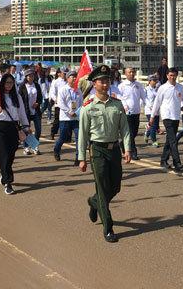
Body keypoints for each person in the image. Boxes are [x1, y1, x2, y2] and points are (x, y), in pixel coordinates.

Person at [78, 65, 131, 243]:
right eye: (101, 81)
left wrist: (127, 148)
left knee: (115, 186)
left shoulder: (117, 104)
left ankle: (94, 202)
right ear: (94, 83)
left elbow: (124, 128)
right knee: (102, 188)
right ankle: (108, 228)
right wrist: (81, 158)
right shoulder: (88, 107)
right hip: (97, 150)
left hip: (114, 149)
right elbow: (83, 134)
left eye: (107, 80)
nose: (105, 84)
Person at [0, 73, 30, 195]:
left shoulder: (16, 96)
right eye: (7, 82)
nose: (9, 85)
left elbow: (22, 113)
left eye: (11, 83)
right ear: (2, 83)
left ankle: (5, 174)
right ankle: (8, 182)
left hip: (13, 127)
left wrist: (26, 126)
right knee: (4, 154)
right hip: (0, 127)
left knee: (11, 153)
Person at [150, 67, 183, 172]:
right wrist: (152, 116)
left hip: (176, 116)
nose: (172, 77)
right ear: (167, 76)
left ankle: (163, 160)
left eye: (174, 75)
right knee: (173, 140)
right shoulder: (163, 88)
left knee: (169, 140)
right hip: (166, 116)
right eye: (170, 75)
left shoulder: (180, 87)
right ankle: (177, 162)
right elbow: (157, 102)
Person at [54, 71, 83, 164]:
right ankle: (56, 150)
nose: (74, 78)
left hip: (76, 119)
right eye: (72, 77)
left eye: (75, 77)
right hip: (65, 118)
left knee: (79, 138)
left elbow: (81, 103)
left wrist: (78, 112)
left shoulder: (78, 90)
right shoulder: (63, 89)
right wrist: (69, 111)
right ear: (67, 78)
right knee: (63, 137)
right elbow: (60, 103)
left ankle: (78, 158)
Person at [118, 67, 146, 161]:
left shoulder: (138, 85)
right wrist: (124, 105)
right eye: (129, 72)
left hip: (136, 112)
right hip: (127, 113)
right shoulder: (122, 85)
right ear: (125, 74)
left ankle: (122, 143)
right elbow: (119, 97)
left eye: (133, 72)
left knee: (134, 133)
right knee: (130, 133)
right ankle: (133, 152)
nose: (132, 74)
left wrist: (148, 106)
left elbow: (144, 97)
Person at [18, 69, 42, 155]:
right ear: (26, 77)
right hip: (26, 111)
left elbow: (40, 97)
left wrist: (38, 103)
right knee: (26, 130)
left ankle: (35, 146)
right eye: (28, 76)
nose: (30, 77)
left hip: (36, 111)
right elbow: (19, 99)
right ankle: (26, 147)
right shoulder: (22, 86)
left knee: (38, 130)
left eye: (32, 75)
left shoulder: (37, 85)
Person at [49, 68, 66, 139]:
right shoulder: (56, 82)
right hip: (58, 104)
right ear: (59, 73)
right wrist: (55, 99)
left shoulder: (68, 82)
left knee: (66, 121)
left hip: (67, 104)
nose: (65, 75)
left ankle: (67, 136)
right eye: (64, 73)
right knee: (57, 120)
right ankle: (53, 132)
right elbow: (52, 92)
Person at [144, 74, 160, 147]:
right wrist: (149, 106)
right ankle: (154, 141)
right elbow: (144, 99)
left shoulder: (157, 89)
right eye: (153, 80)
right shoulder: (146, 89)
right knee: (153, 126)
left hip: (156, 110)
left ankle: (147, 133)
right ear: (149, 81)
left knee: (155, 126)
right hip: (149, 110)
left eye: (155, 80)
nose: (155, 82)